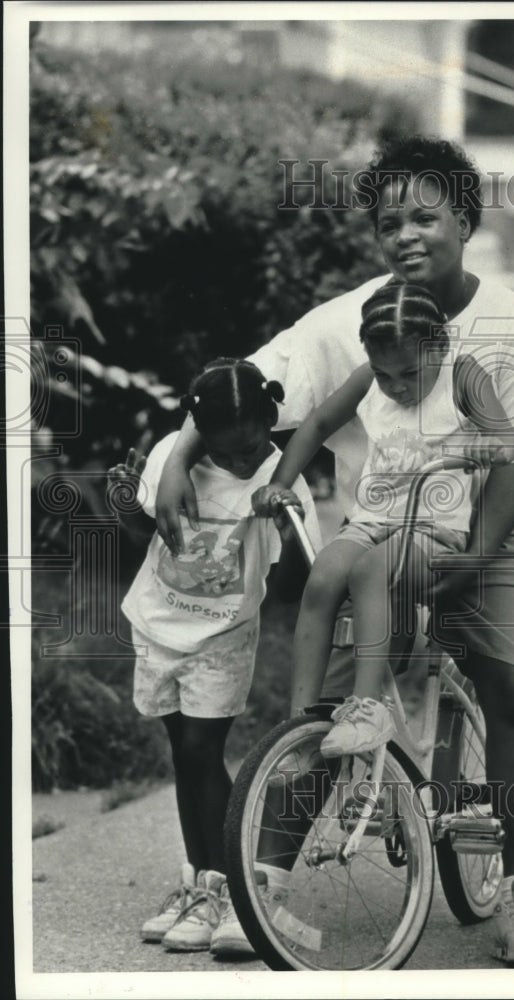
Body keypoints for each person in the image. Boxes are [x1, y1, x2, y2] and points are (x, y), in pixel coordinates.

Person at [154, 136, 514, 967]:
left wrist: (473, 566)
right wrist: (178, 454)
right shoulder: (355, 317)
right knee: (338, 695)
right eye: (390, 222)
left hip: (498, 524)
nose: (407, 234)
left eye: (426, 215)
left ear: (465, 217)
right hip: (387, 528)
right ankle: (259, 880)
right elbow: (261, 383)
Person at [252, 281, 514, 757]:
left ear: (439, 345)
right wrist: (280, 479)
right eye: (383, 374)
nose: (394, 386)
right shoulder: (367, 379)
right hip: (372, 521)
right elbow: (315, 424)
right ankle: (300, 726)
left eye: (408, 374)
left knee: (369, 568)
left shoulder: (463, 375)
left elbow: (508, 442)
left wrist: (482, 445)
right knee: (324, 577)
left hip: (434, 533)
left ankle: (366, 707)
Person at [108, 357, 319, 956]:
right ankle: (200, 886)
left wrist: (283, 514)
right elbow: (140, 534)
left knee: (203, 750)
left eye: (251, 447)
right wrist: (123, 502)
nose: (239, 462)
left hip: (223, 638)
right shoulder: (172, 456)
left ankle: (234, 887)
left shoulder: (284, 476)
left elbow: (297, 581)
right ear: (201, 433)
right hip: (156, 626)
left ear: (270, 421)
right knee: (185, 755)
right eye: (225, 454)